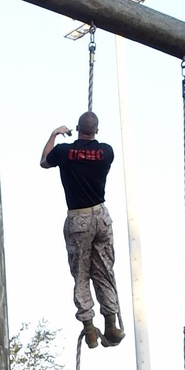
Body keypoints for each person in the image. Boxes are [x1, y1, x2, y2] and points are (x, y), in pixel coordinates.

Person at [40, 111, 124, 349]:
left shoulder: (64, 152)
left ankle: (89, 327)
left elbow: (44, 161)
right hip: (101, 216)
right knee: (104, 269)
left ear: (76, 128)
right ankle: (111, 323)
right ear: (96, 130)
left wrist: (54, 134)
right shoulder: (107, 152)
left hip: (78, 219)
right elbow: (92, 149)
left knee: (81, 273)